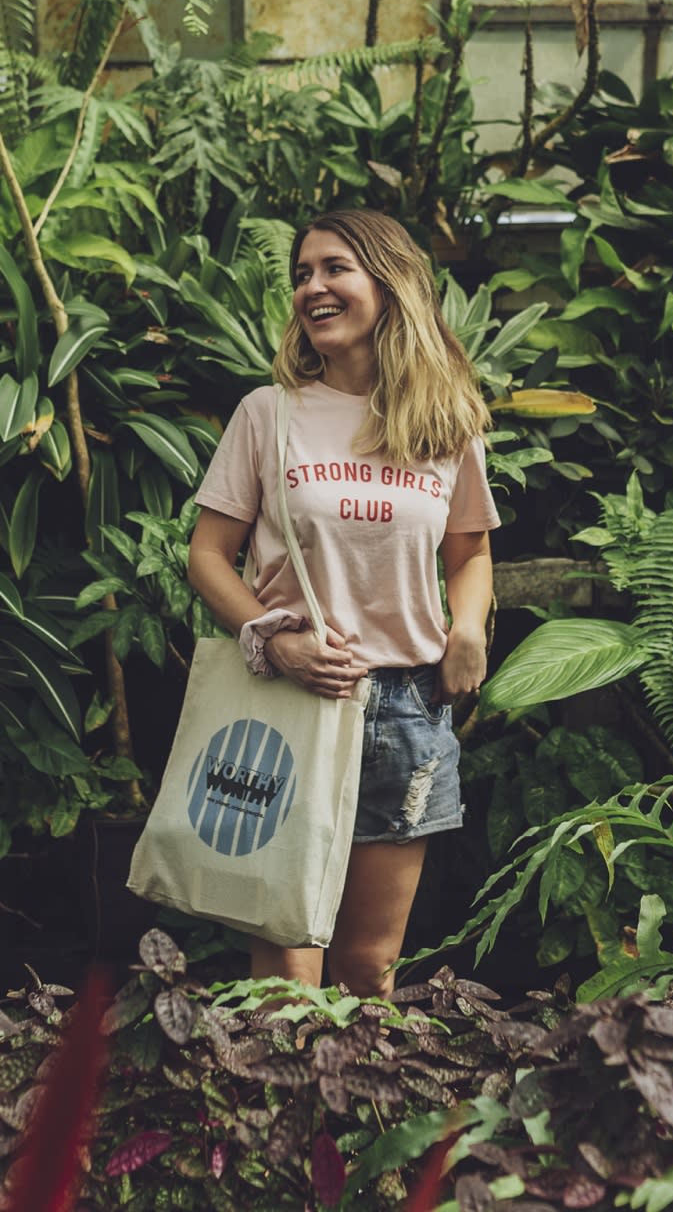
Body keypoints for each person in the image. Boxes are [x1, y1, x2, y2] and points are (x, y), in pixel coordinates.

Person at [187, 209, 500, 998]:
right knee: (287, 960)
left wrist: (467, 630)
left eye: (333, 268)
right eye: (301, 274)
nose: (312, 287)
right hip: (290, 698)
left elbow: (468, 552)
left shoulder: (445, 423)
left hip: (405, 707)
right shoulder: (270, 414)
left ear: (388, 287)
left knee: (369, 965)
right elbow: (206, 554)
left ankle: (355, 1119)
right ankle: (274, 1119)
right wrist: (270, 639)